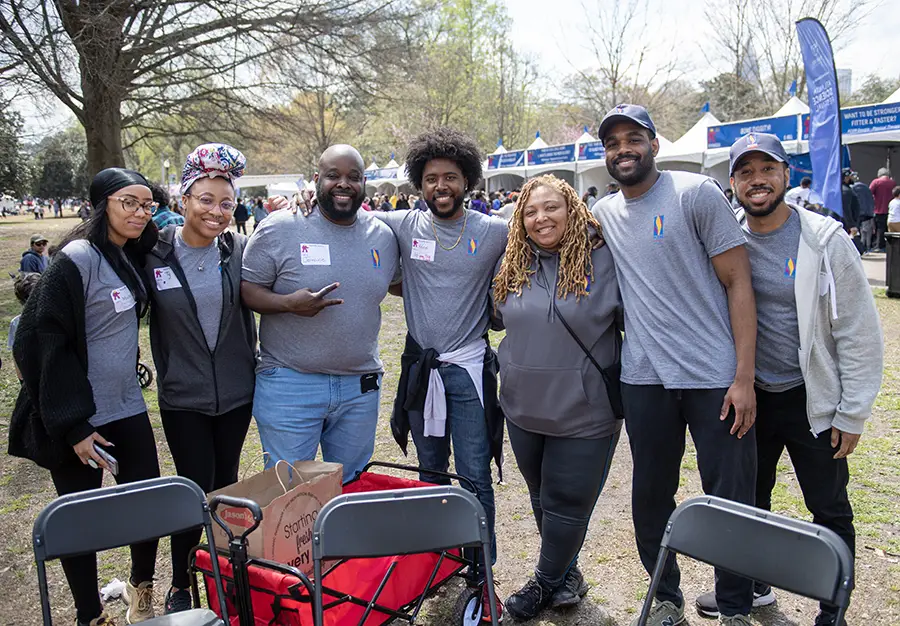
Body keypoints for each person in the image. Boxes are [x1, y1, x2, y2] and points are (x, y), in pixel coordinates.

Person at [696, 132, 882, 626]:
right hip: (748, 395)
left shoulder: (824, 240)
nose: (757, 181)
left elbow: (859, 331)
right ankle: (751, 587)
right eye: (746, 172)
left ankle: (832, 607)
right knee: (747, 501)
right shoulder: (724, 235)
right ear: (732, 182)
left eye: (767, 170)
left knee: (829, 507)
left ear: (785, 176)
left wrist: (852, 410)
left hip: (810, 396)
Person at [591, 104, 757, 626]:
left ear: (654, 144)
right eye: (613, 142)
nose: (623, 149)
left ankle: (734, 605)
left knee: (729, 498)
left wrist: (744, 377)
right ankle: (666, 596)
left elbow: (739, 283)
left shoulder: (695, 194)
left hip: (714, 378)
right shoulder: (604, 215)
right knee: (650, 494)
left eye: (633, 138)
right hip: (644, 379)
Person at [9, 168, 161, 626]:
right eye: (128, 203)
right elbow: (35, 339)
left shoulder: (128, 254)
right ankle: (90, 614)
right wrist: (74, 424)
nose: (139, 212)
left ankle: (142, 596)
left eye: (146, 205)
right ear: (102, 206)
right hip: (81, 422)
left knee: (148, 505)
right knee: (82, 524)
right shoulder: (78, 257)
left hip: (128, 407)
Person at [377, 127, 508, 623]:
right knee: (431, 473)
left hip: (469, 370)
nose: (440, 186)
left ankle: (482, 573)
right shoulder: (400, 225)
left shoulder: (493, 230)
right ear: (418, 183)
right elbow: (343, 221)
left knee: (474, 476)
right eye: (431, 178)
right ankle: (439, 563)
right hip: (421, 372)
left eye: (450, 176)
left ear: (468, 180)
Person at [492, 175, 622, 620]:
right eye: (530, 211)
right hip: (523, 405)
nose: (540, 217)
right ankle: (567, 573)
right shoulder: (511, 262)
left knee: (567, 501)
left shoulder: (605, 258)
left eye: (551, 208)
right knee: (542, 495)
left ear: (572, 209)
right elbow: (494, 316)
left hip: (584, 409)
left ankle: (545, 583)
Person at [143, 144, 257, 615]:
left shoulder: (237, 251)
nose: (216, 211)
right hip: (183, 396)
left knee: (225, 485)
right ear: (184, 199)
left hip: (235, 394)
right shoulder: (151, 256)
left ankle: (221, 572)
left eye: (226, 203)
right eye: (206, 200)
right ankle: (181, 581)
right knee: (193, 487)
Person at [241, 145, 400, 480]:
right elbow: (247, 290)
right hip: (290, 383)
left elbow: (405, 280)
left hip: (359, 388)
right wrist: (288, 304)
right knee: (290, 495)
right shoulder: (280, 227)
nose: (343, 183)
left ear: (364, 183)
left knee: (351, 490)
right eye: (333, 175)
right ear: (316, 180)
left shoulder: (383, 236)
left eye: (353, 177)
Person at [8, 272, 41, 380]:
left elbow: (16, 353)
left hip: (30, 377)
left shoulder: (16, 323)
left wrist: (22, 378)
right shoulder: (57, 318)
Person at [870, 168, 896, 252]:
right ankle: (888, 246)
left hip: (878, 209)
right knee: (887, 228)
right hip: (890, 209)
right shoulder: (893, 183)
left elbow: (869, 192)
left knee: (879, 228)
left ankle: (879, 246)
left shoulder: (876, 182)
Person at [850, 172, 876, 252]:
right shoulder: (865, 187)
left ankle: (858, 248)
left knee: (856, 231)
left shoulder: (851, 188)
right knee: (865, 232)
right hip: (866, 213)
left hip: (856, 213)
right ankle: (864, 248)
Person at [839, 168, 860, 243]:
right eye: (850, 176)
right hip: (844, 225)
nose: (852, 178)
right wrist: (851, 225)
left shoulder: (842, 189)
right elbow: (846, 209)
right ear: (845, 177)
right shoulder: (845, 191)